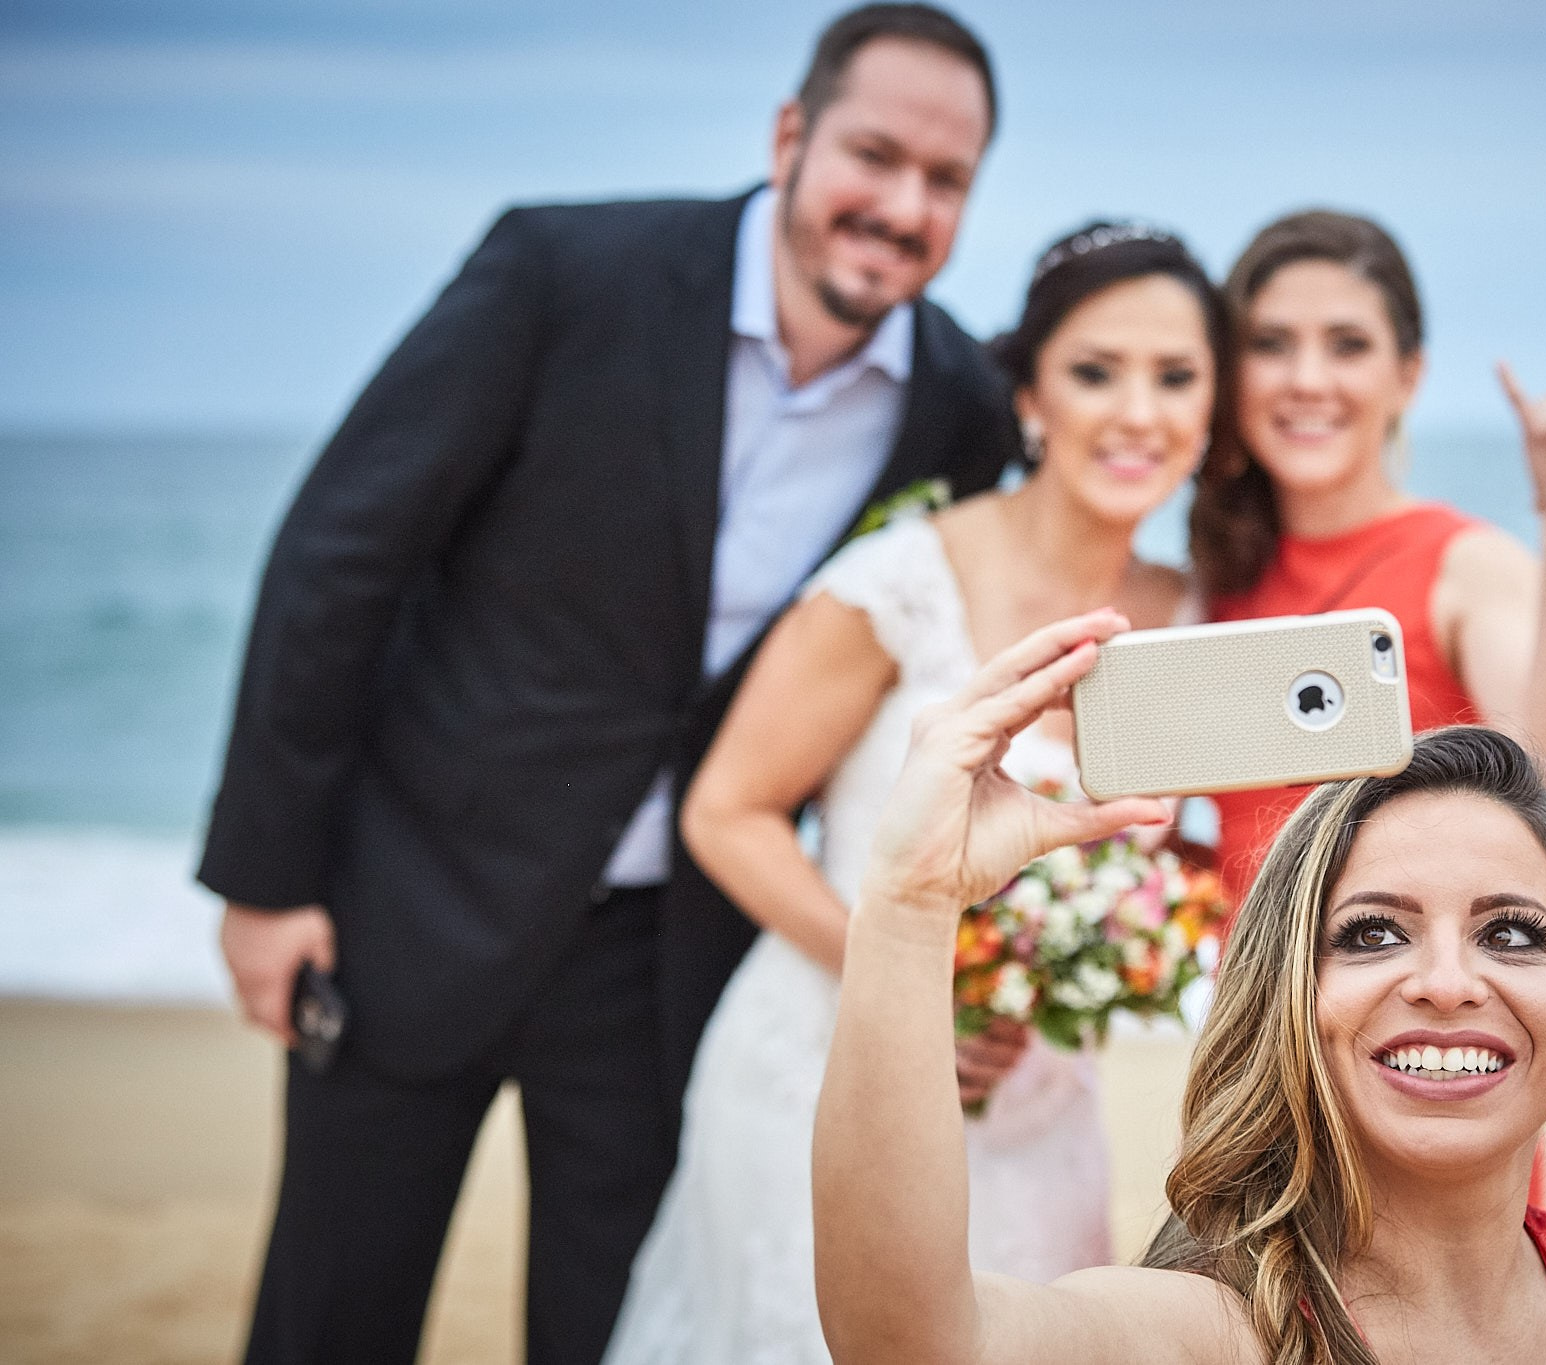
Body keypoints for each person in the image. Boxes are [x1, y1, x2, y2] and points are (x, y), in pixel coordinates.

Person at [196, 6, 1018, 1361]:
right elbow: (342, 553)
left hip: (665, 963)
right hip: (413, 900)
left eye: (947, 180)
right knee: (330, 1318)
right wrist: (267, 882)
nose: (903, 207)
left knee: (609, 1332)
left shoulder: (957, 404)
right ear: (791, 137)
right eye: (875, 156)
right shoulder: (562, 273)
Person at [811, 614, 1546, 1364]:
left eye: (1509, 933)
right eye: (1373, 933)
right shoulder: (1199, 1336)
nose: (1445, 983)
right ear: (1291, 999)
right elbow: (913, 1344)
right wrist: (910, 899)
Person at [602, 221, 1225, 1364]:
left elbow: (1176, 858)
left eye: (1175, 377)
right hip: (821, 1071)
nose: (1138, 412)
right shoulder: (900, 581)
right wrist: (900, 983)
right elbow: (725, 811)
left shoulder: (1195, 621)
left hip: (1038, 1107)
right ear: (1029, 395)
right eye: (1095, 371)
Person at [1189, 211, 1546, 902]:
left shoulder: (1467, 567)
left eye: (1348, 345)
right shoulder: (1209, 582)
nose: (1307, 379)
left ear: (1408, 376)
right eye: (1271, 344)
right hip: (1232, 972)